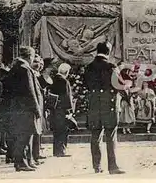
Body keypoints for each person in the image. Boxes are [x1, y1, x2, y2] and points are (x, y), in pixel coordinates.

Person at [84, 41, 125, 174]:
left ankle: (97, 166)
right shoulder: (111, 66)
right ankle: (112, 167)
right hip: (109, 104)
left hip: (94, 103)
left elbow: (86, 84)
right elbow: (119, 85)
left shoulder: (89, 67)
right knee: (110, 135)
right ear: (108, 52)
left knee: (95, 134)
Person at [3, 46, 44, 171]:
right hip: (25, 109)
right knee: (24, 136)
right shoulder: (25, 69)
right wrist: (36, 109)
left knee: (25, 135)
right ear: (30, 56)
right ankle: (21, 162)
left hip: (17, 107)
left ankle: (27, 160)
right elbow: (30, 91)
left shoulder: (16, 67)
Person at [48, 63, 74, 157]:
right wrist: (69, 111)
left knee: (56, 131)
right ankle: (61, 151)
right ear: (66, 72)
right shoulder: (64, 81)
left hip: (54, 109)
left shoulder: (53, 79)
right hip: (62, 109)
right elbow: (67, 97)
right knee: (63, 130)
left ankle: (56, 151)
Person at [30, 55, 46, 165]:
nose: (38, 65)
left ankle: (36, 153)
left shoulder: (38, 75)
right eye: (35, 62)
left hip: (40, 106)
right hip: (34, 107)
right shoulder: (30, 74)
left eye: (39, 63)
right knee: (34, 131)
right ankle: (34, 156)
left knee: (39, 131)